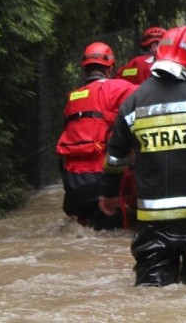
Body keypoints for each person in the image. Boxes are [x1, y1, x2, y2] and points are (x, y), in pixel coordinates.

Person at [99, 25, 186, 287]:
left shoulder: (133, 102)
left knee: (153, 295)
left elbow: (116, 157)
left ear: (158, 53)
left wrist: (109, 193)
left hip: (153, 224)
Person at [56, 41, 138, 230]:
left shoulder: (73, 97)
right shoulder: (118, 88)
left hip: (72, 179)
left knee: (83, 231)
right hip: (101, 175)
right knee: (111, 235)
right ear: (110, 68)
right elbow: (150, 95)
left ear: (85, 68)